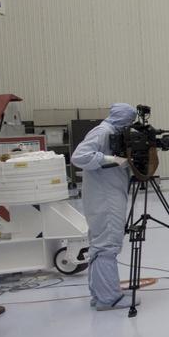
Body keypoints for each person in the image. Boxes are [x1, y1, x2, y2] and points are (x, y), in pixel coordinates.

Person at [70, 103, 137, 311]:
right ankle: (109, 299)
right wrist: (111, 159)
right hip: (105, 197)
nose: (130, 125)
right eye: (130, 121)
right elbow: (78, 157)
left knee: (100, 246)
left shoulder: (111, 131)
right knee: (107, 246)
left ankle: (101, 293)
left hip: (106, 193)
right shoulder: (103, 131)